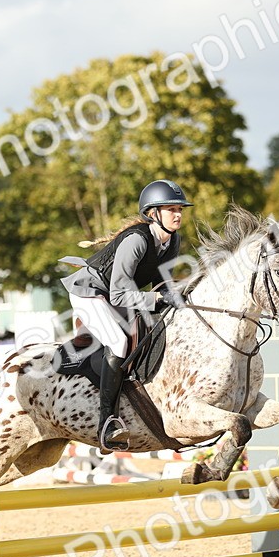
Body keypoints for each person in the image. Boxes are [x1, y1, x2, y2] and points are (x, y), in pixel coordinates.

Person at [60, 179, 192, 451]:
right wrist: (157, 298)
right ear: (153, 213)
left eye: (180, 209)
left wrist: (179, 297)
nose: (178, 214)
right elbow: (120, 295)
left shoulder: (172, 241)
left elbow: (161, 284)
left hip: (114, 294)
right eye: (171, 209)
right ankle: (107, 423)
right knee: (119, 342)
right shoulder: (136, 240)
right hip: (89, 292)